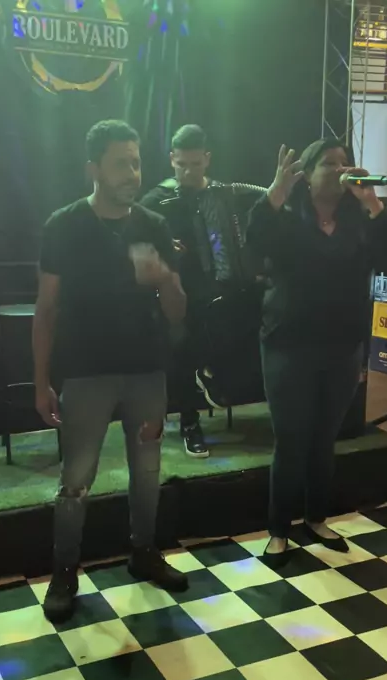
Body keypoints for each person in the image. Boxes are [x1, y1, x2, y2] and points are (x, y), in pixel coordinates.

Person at [33, 120, 188, 622]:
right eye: (122, 163)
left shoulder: (153, 225)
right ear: (93, 168)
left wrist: (164, 280)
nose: (133, 173)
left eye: (137, 163)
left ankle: (143, 552)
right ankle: (64, 570)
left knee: (148, 471)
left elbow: (177, 313)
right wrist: (41, 381)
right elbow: (46, 310)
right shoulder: (64, 225)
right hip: (85, 374)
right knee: (76, 478)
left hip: (146, 372)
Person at [246, 139, 387, 567]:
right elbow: (255, 241)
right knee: (292, 440)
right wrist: (275, 193)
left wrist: (372, 202)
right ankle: (279, 529)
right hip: (289, 344)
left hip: (341, 346)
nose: (340, 170)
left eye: (345, 163)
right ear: (308, 173)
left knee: (324, 439)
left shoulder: (359, 220)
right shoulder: (288, 217)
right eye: (329, 163)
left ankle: (316, 519)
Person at [141, 124, 264, 458]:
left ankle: (215, 377)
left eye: (195, 164)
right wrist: (162, 246)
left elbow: (256, 214)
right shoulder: (157, 199)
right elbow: (133, 237)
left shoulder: (224, 193)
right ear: (171, 159)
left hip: (222, 288)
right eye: (181, 164)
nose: (188, 171)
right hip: (178, 291)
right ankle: (189, 421)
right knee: (181, 344)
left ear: (207, 159)